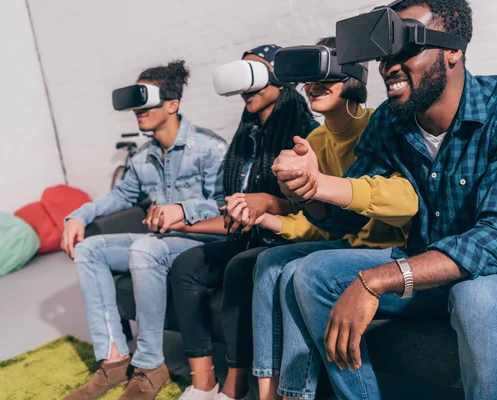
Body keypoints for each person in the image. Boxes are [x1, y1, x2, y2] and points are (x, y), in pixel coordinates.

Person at [273, 1, 497, 399]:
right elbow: (346, 223)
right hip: (426, 269)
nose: (389, 66)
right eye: (385, 54)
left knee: (476, 296)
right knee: (311, 272)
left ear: (454, 50)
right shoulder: (390, 121)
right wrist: (310, 188)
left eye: (406, 48)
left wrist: (377, 280)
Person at [244, 37, 417, 400]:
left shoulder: (381, 125)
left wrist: (317, 187)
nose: (314, 86)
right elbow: (327, 222)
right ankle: (267, 393)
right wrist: (298, 192)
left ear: (352, 77)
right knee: (268, 261)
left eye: (326, 76)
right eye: (309, 79)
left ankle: (296, 395)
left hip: (392, 248)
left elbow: (403, 202)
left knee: (296, 272)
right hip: (344, 242)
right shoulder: (313, 139)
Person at [61, 60, 228, 400]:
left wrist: (182, 210)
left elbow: (228, 206)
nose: (139, 110)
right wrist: (77, 216)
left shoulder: (210, 148)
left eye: (147, 100)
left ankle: (151, 364)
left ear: (172, 104)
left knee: (144, 249)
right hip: (161, 241)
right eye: (136, 102)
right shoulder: (142, 158)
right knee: (90, 249)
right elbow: (121, 195)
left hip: (199, 241)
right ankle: (114, 360)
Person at [166, 45, 318, 400]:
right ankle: (204, 381)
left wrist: (266, 206)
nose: (246, 86)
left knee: (239, 268)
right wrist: (183, 223)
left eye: (256, 73)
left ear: (280, 81)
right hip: (246, 236)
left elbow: (312, 207)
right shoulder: (244, 140)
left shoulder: (306, 132)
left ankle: (235, 384)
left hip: (282, 238)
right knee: (186, 264)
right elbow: (230, 208)